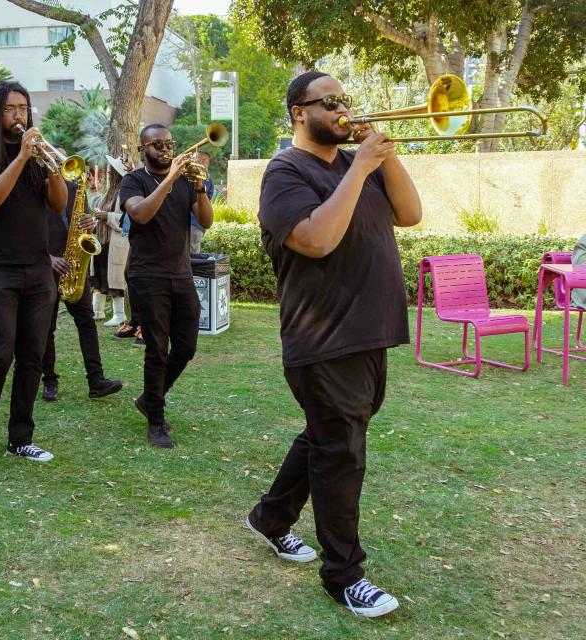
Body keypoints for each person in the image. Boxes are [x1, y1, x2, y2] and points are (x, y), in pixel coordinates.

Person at [244, 71, 422, 618]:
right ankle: (344, 574)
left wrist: (382, 156)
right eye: (330, 102)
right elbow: (316, 239)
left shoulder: (355, 164)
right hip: (322, 338)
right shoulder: (284, 172)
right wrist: (363, 164)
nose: (342, 109)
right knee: (342, 451)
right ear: (300, 112)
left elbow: (411, 214)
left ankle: (271, 517)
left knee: (330, 436)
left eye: (345, 100)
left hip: (369, 332)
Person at [0, 80, 68, 464]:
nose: (18, 115)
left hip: (37, 269)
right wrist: (21, 159)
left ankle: (20, 437)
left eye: (23, 107)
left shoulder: (38, 155)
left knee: (32, 356)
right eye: (10, 109)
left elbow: (58, 204)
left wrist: (53, 167)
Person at [119, 124, 213, 448]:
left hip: (181, 273)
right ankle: (156, 421)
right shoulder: (134, 181)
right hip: (147, 276)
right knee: (157, 349)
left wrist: (198, 187)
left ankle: (149, 398)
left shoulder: (187, 181)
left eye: (168, 144)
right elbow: (140, 215)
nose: (164, 149)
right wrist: (170, 179)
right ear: (142, 150)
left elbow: (206, 220)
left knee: (185, 347)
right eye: (156, 145)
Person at [40, 148, 123, 403]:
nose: (60, 163)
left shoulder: (77, 190)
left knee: (86, 323)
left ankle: (96, 380)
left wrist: (90, 223)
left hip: (74, 266)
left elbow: (85, 221)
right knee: (46, 328)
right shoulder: (32, 190)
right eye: (53, 159)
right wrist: (47, 259)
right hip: (46, 267)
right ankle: (49, 380)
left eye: (62, 160)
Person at [91, 155, 131, 329]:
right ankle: (97, 311)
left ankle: (119, 315)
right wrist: (92, 190)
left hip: (117, 242)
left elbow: (128, 219)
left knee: (116, 278)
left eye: (112, 170)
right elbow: (97, 205)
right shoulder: (112, 190)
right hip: (103, 240)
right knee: (99, 275)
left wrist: (107, 216)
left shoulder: (127, 191)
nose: (109, 172)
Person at [188, 150, 215, 254]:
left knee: (192, 259)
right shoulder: (209, 178)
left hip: (194, 225)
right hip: (194, 226)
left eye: (195, 159)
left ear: (203, 160)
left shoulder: (203, 177)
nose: (192, 161)